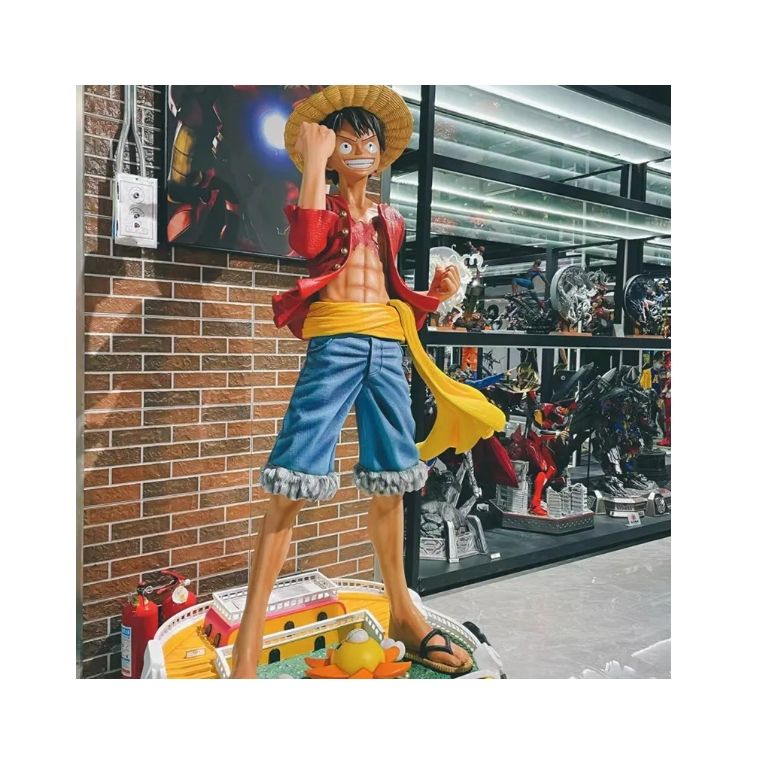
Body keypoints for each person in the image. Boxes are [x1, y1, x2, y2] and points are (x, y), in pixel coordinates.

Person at [231, 86, 506, 678]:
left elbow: (390, 287)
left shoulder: (390, 219)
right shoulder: (323, 207)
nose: (360, 150)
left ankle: (403, 612)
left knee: (392, 480)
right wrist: (312, 164)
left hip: (385, 347)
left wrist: (433, 294)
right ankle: (248, 638)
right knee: (292, 480)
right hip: (335, 346)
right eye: (346, 142)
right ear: (328, 151)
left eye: (368, 141)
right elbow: (307, 245)